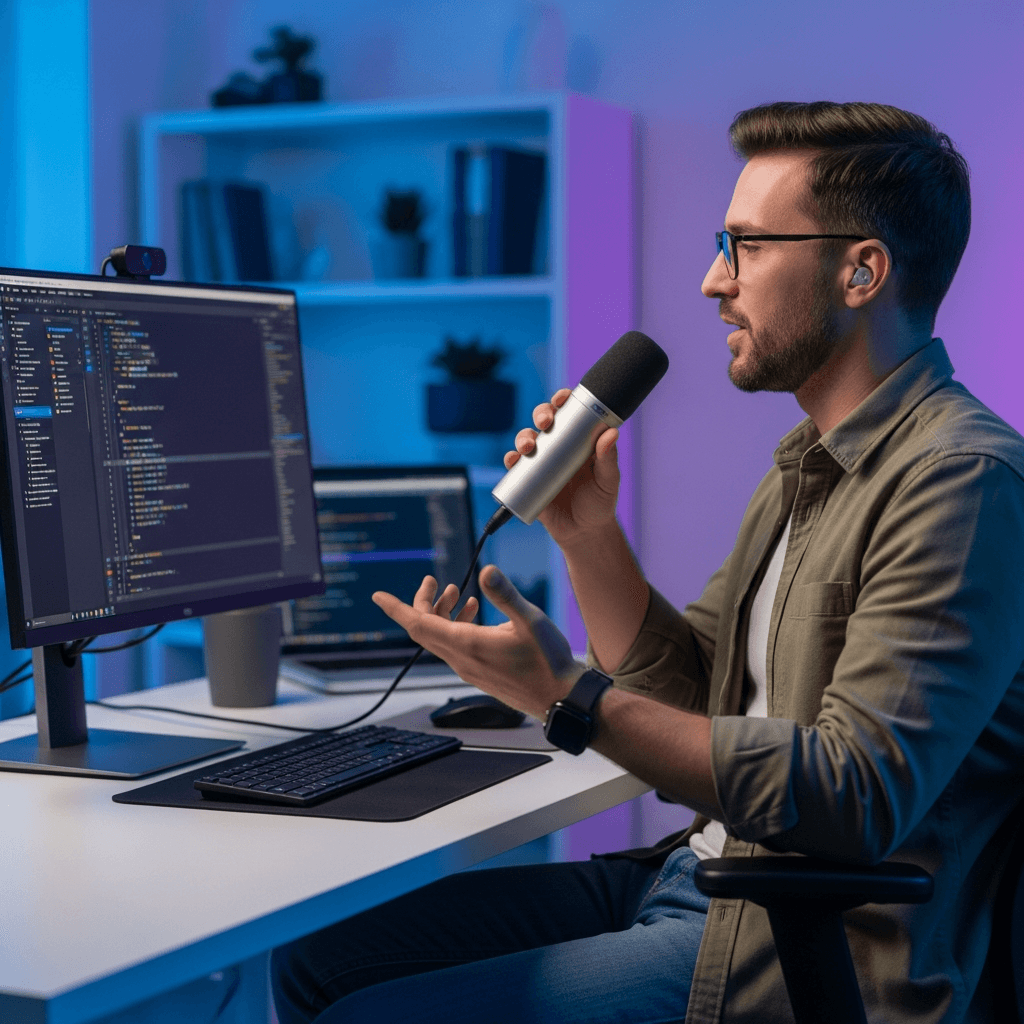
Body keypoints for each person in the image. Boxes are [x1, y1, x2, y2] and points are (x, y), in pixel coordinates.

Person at [272, 102, 1024, 1024]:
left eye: (746, 246)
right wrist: (587, 533)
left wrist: (568, 695)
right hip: (701, 875)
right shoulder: (805, 464)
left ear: (861, 270)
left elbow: (854, 795)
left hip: (815, 944)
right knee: (320, 956)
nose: (714, 280)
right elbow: (692, 695)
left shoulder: (962, 482)